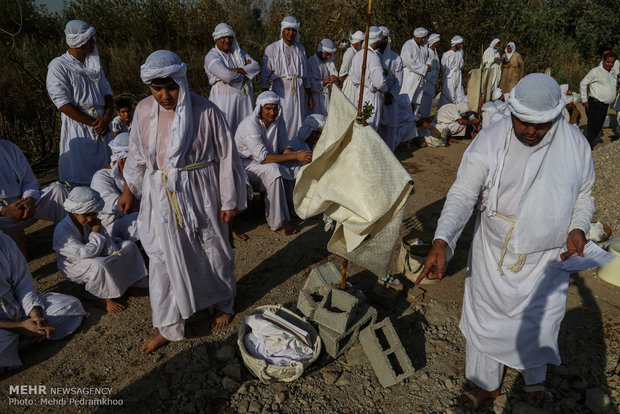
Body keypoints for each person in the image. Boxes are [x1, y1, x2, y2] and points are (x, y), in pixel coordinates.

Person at [416, 74, 595, 409]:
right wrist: (442, 240)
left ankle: (533, 378)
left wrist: (578, 227)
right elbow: (462, 194)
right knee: (487, 319)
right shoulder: (490, 140)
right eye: (523, 121)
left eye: (539, 125)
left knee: (539, 321)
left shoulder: (575, 145)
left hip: (547, 259)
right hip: (494, 253)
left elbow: (584, 197)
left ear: (555, 116)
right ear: (511, 111)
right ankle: (486, 384)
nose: (530, 131)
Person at [121, 50, 247, 353]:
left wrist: (229, 200)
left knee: (213, 250)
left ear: (182, 81)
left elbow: (227, 157)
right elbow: (137, 154)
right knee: (163, 260)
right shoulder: (141, 111)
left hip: (201, 193)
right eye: (157, 88)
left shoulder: (206, 111)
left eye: (171, 87)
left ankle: (222, 302)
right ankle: (169, 325)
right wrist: (129, 190)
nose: (165, 96)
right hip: (159, 195)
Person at [0, 230, 86, 373]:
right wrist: (20, 326)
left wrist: (35, 316)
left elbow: (23, 284)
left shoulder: (4, 241)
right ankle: (21, 344)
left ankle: (30, 335)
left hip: (18, 308)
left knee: (69, 306)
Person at [53, 187, 147, 313]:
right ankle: (102, 299)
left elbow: (109, 246)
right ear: (73, 211)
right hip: (74, 263)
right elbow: (85, 253)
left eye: (94, 214)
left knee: (128, 246)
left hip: (94, 251)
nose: (91, 219)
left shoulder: (91, 222)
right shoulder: (63, 231)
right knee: (99, 265)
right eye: (86, 215)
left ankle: (126, 285)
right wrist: (96, 232)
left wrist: (114, 253)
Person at [46, 20, 114, 187]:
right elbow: (63, 104)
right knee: (83, 180)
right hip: (80, 128)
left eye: (92, 38)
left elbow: (108, 93)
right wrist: (94, 123)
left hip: (103, 126)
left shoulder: (95, 65)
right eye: (89, 39)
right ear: (78, 41)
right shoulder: (59, 66)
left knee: (108, 177)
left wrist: (106, 118)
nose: (93, 42)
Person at [234, 91, 311, 235]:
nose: (272, 112)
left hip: (266, 161)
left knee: (296, 166)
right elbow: (263, 158)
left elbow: (283, 148)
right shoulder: (250, 125)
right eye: (268, 108)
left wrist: (298, 156)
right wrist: (296, 155)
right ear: (260, 108)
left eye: (275, 108)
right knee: (273, 170)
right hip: (246, 165)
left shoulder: (279, 121)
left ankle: (297, 207)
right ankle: (278, 222)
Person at [0, 139, 68, 247]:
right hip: (2, 217)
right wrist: (4, 211)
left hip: (23, 206)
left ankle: (72, 244)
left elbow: (29, 181)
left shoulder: (9, 148)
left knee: (58, 191)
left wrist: (29, 199)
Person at [262, 16, 313, 140]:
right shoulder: (272, 48)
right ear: (283, 30)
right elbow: (265, 73)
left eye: (294, 30)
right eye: (288, 30)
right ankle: (282, 148)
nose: (291, 33)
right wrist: (264, 97)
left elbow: (305, 75)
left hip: (299, 91)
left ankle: (297, 148)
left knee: (299, 118)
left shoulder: (300, 49)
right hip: (281, 90)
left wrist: (310, 96)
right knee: (283, 118)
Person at [204, 23, 260, 133]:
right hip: (224, 99)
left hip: (243, 100)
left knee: (245, 128)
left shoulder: (238, 53)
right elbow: (227, 76)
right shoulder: (211, 56)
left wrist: (237, 70)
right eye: (223, 37)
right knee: (225, 128)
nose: (227, 40)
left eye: (229, 37)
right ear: (217, 39)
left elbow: (256, 66)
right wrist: (245, 74)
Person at [90, 133, 139, 241]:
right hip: (112, 226)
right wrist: (128, 178)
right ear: (121, 160)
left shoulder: (140, 172)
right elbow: (124, 209)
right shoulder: (101, 177)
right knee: (138, 220)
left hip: (138, 217)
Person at [349, 26, 387, 130]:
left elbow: (353, 77)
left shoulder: (358, 55)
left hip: (360, 93)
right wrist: (385, 89)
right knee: (370, 127)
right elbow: (379, 82)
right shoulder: (373, 57)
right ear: (377, 40)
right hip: (371, 96)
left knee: (360, 126)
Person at [580, 52, 617, 149]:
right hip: (595, 103)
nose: (610, 64)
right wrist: (584, 100)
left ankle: (587, 144)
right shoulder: (596, 71)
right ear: (603, 60)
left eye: (612, 62)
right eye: (608, 61)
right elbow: (583, 83)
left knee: (598, 126)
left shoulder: (612, 73)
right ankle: (587, 147)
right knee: (593, 127)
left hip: (604, 106)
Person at [378, 26, 403, 151]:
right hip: (375, 97)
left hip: (390, 99)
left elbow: (399, 81)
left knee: (390, 127)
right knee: (373, 125)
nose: (382, 41)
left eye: (384, 38)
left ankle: (390, 154)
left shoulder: (396, 58)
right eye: (380, 38)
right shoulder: (371, 56)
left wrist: (390, 95)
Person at [307, 39, 339, 117]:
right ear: (320, 52)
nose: (328, 57)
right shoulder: (310, 62)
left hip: (327, 98)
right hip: (315, 99)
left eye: (330, 55)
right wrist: (325, 81)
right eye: (327, 54)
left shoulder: (327, 62)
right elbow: (309, 84)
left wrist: (335, 79)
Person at [400, 27, 429, 113]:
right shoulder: (408, 45)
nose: (423, 40)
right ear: (416, 37)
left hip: (420, 77)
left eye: (425, 38)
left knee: (417, 100)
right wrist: (424, 68)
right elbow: (409, 62)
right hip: (410, 77)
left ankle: (413, 120)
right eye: (421, 38)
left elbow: (427, 58)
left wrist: (428, 65)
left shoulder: (423, 47)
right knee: (408, 98)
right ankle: (404, 119)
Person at [439, 36, 466, 108]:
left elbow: (461, 65)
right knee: (449, 93)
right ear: (455, 44)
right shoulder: (446, 54)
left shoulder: (459, 54)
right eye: (459, 44)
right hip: (450, 77)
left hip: (458, 75)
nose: (460, 46)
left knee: (459, 93)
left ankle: (460, 109)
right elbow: (443, 67)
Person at [419, 33, 441, 119]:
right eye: (437, 42)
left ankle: (426, 115)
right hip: (428, 79)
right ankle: (424, 116)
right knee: (425, 98)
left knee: (429, 99)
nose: (438, 43)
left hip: (433, 79)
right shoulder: (427, 52)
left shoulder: (435, 52)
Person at [339, 30, 365, 101]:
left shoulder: (356, 52)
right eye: (362, 42)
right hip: (349, 85)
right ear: (359, 42)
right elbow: (343, 71)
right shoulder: (350, 52)